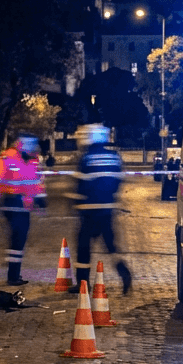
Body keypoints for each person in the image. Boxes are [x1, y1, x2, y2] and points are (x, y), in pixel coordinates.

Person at [70, 124, 131, 294]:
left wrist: (75, 202)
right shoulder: (114, 156)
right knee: (111, 246)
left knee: (83, 247)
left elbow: (80, 184)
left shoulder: (86, 157)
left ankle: (82, 284)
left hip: (89, 210)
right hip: (108, 209)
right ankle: (124, 273)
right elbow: (119, 179)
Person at [0, 134, 47, 285]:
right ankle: (13, 276)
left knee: (19, 241)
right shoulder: (6, 160)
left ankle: (14, 274)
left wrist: (41, 201)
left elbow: (36, 183)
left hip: (24, 206)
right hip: (11, 204)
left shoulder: (32, 161)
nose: (33, 148)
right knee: (17, 240)